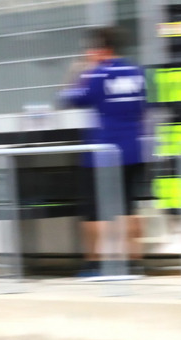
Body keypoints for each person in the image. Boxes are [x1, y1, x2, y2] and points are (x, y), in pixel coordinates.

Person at [59, 26, 148, 278]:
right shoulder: (136, 72)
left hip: (102, 152)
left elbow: (68, 98)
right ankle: (134, 264)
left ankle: (94, 264)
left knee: (92, 210)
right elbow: (144, 107)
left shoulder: (97, 75)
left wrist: (78, 71)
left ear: (100, 49)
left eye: (90, 48)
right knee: (130, 207)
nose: (88, 53)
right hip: (133, 150)